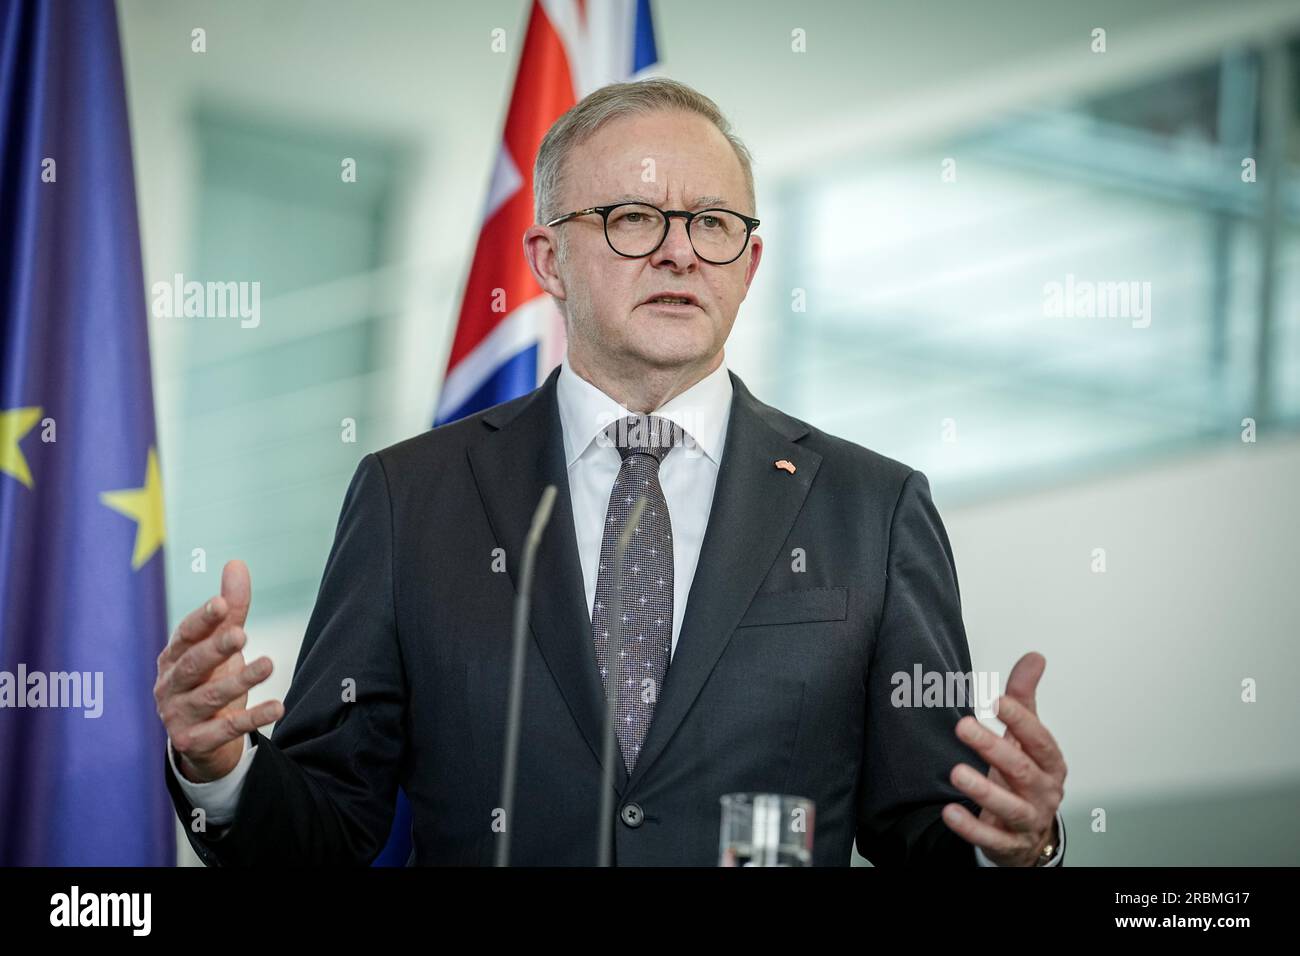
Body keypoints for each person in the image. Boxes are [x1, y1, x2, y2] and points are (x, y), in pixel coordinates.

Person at [155, 78, 1067, 866]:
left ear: (749, 266)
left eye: (712, 223)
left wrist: (1016, 847)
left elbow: (928, 831)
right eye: (634, 218)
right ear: (548, 259)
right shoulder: (411, 496)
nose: (680, 250)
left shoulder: (873, 509)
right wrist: (221, 767)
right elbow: (327, 834)